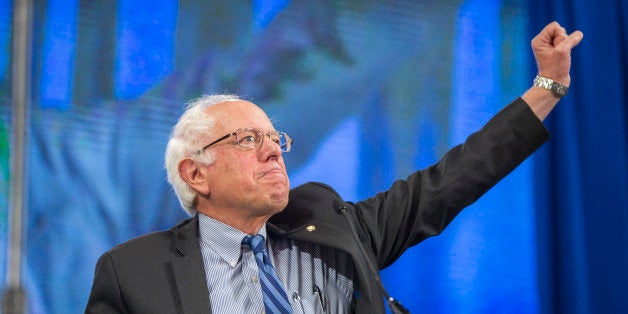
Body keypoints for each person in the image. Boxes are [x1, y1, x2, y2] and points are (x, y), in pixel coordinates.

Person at [85, 22, 583, 314]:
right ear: (196, 174)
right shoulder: (132, 272)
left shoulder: (331, 226)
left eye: (275, 138)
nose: (274, 150)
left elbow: (451, 181)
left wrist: (548, 87)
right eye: (247, 140)